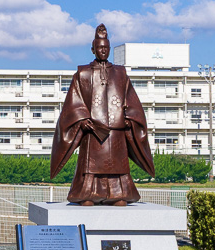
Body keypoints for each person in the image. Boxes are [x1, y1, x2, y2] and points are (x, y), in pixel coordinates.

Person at [49, 24, 155, 205]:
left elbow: (131, 99)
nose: (103, 51)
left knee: (118, 165)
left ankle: (118, 195)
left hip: (116, 132)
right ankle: (87, 195)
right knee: (90, 166)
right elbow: (74, 101)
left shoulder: (120, 73)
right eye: (100, 48)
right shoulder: (82, 73)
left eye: (106, 48)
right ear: (93, 49)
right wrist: (82, 119)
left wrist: (129, 118)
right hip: (93, 132)